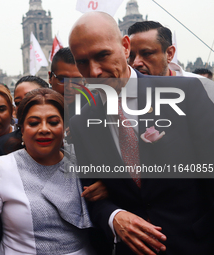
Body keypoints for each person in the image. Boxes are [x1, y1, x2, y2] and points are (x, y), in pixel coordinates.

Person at [69, 11, 214, 255]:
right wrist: (114, 216)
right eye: (82, 61)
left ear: (125, 47)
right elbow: (93, 197)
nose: (93, 72)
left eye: (102, 55)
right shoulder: (82, 122)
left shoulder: (186, 93)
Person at [0, 88, 94, 255]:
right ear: (22, 129)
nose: (44, 129)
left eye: (53, 122)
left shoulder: (83, 161)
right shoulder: (4, 167)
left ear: (65, 127)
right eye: (34, 123)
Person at [128, 21, 214, 102]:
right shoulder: (120, 93)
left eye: (146, 54)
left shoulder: (205, 88)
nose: (135, 63)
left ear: (169, 54)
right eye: (131, 56)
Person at [0, 75, 49, 155]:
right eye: (18, 103)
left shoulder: (67, 137)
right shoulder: (2, 146)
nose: (23, 105)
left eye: (29, 99)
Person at [49, 47, 88, 118]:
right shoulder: (37, 106)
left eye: (76, 80)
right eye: (62, 79)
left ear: (85, 80)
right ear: (50, 77)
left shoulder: (99, 110)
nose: (69, 87)